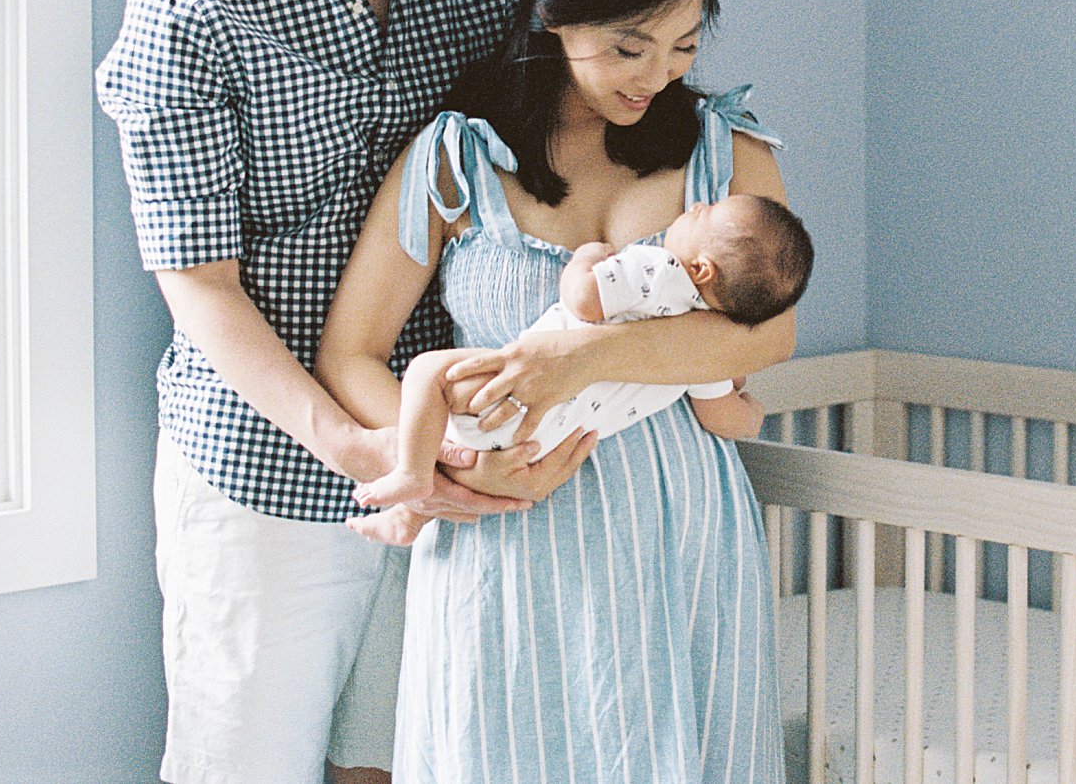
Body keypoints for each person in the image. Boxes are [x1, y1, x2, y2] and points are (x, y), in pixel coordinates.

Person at [97, 0, 587, 784]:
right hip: (266, 467)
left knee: (415, 759)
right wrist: (356, 446)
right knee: (242, 763)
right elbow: (202, 288)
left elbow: (527, 162)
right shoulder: (191, 5)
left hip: (448, 451)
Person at [317, 0, 797, 783]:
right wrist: (454, 460)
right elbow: (350, 350)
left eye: (682, 46)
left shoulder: (723, 153)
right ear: (553, 14)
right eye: (628, 45)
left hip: (679, 535)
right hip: (508, 533)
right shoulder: (459, 159)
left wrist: (583, 355)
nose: (654, 75)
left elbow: (764, 337)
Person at [329, 191, 813, 535]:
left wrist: (587, 257)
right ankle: (410, 517)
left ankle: (414, 473)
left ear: (701, 268)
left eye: (703, 214)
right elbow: (723, 419)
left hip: (508, 397)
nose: (694, 208)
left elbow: (584, 300)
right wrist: (751, 409)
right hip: (544, 447)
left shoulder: (658, 271)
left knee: (426, 371)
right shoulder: (704, 354)